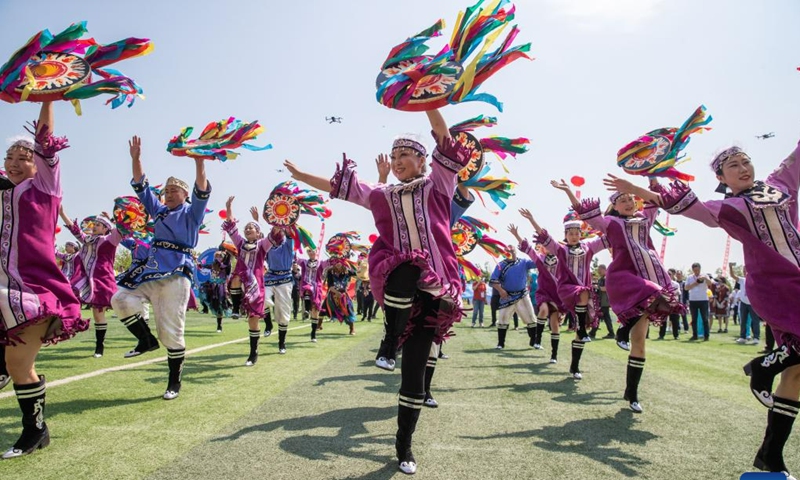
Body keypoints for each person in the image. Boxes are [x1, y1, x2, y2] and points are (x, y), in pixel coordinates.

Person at [284, 108, 467, 475]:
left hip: (436, 288)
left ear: (422, 160)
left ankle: (404, 445)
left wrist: (425, 100)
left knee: (413, 374)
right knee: (407, 264)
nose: (398, 162)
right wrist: (302, 176)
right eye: (394, 156)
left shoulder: (439, 184)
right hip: (397, 276)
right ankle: (388, 342)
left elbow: (442, 134)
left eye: (405, 156)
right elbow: (341, 188)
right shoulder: (381, 194)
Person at [606, 140, 800, 475]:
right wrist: (636, 188)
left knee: (796, 374)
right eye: (733, 166)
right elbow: (681, 204)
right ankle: (764, 368)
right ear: (723, 178)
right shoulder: (729, 207)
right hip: (773, 285)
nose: (743, 168)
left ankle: (770, 457)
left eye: (745, 161)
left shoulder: (780, 183)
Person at [1, 102, 88, 458]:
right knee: (19, 366)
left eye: (23, 157)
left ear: (37, 162)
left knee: (19, 367)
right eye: (9, 156)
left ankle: (35, 431)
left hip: (34, 293)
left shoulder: (45, 189)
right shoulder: (3, 190)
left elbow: (45, 140)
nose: (15, 161)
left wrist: (48, 97)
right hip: (4, 291)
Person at [111, 135, 211, 400]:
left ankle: (173, 382)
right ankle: (145, 339)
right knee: (120, 298)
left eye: (173, 191)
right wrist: (136, 159)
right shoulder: (159, 212)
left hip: (177, 272)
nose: (168, 194)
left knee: (171, 330)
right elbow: (142, 188)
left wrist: (199, 163)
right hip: (151, 268)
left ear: (185, 195)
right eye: (166, 191)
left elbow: (202, 190)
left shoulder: (192, 213)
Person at [572, 183, 683, 413]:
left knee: (640, 342)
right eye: (622, 200)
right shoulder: (611, 223)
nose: (630, 202)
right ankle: (622, 331)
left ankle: (631, 393)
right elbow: (587, 216)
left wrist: (652, 171)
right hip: (624, 278)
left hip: (647, 277)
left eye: (632, 198)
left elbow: (656, 199)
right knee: (655, 292)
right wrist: (568, 191)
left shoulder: (644, 220)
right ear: (614, 206)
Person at [529, 182, 611, 380]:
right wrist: (532, 220)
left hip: (584, 295)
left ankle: (574, 366)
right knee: (583, 294)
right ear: (565, 235)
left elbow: (605, 233)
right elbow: (543, 236)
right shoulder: (561, 249)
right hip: (567, 289)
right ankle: (580, 329)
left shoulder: (589, 247)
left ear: (580, 234)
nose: (574, 236)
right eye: (570, 233)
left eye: (576, 233)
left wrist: (568, 191)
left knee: (584, 328)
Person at [223, 197, 279, 365]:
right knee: (237, 275)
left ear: (258, 233)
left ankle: (253, 352)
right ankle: (235, 307)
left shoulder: (262, 245)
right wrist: (228, 207)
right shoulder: (240, 243)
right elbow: (231, 226)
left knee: (253, 321)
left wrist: (276, 219)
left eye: (251, 228)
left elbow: (274, 233)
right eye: (246, 227)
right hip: (241, 278)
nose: (248, 229)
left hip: (256, 284)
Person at [59, 209, 122, 357]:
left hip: (103, 281)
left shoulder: (110, 240)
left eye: (99, 225)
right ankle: (70, 326)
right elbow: (74, 230)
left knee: (102, 314)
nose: (94, 226)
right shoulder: (87, 240)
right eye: (95, 224)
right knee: (92, 310)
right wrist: (62, 212)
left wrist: (113, 221)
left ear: (106, 228)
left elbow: (120, 230)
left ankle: (100, 347)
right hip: (88, 280)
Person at [513, 219, 566, 362]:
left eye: (550, 245)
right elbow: (528, 249)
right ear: (542, 248)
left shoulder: (561, 259)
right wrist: (517, 235)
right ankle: (538, 338)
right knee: (543, 310)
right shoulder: (540, 259)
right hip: (543, 292)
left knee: (555, 325)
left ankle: (554, 355)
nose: (547, 247)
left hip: (557, 295)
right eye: (544, 245)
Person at [491, 236, 537, 349]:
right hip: (507, 296)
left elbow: (537, 261)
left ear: (516, 251)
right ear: (504, 253)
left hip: (523, 295)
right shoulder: (501, 265)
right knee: (502, 319)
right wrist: (501, 291)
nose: (510, 251)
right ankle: (500, 343)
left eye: (512, 250)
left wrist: (533, 249)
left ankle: (534, 341)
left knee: (531, 318)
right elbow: (493, 280)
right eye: (508, 250)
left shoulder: (524, 262)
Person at [730, 263, 761, 346]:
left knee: (755, 321)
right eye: (743, 270)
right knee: (743, 320)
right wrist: (730, 266)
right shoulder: (742, 280)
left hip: (752, 303)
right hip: (743, 302)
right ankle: (743, 337)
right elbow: (732, 275)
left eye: (746, 270)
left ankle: (756, 337)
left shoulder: (755, 280)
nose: (745, 272)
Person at [683, 263, 712, 341]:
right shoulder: (689, 277)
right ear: (692, 270)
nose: (696, 271)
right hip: (693, 300)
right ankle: (694, 335)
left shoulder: (705, 275)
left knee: (705, 319)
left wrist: (705, 279)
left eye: (698, 270)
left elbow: (710, 284)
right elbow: (686, 288)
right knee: (694, 319)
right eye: (695, 270)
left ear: (700, 269)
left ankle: (706, 336)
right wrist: (696, 283)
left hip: (703, 299)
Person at [591, 264, 615, 339]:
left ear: (604, 269)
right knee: (606, 317)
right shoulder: (601, 278)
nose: (598, 271)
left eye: (600, 270)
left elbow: (606, 288)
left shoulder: (606, 278)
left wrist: (596, 287)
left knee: (598, 316)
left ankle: (592, 332)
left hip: (604, 301)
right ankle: (611, 333)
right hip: (602, 301)